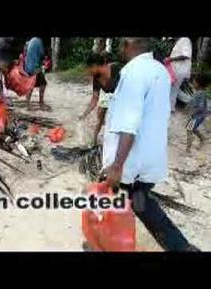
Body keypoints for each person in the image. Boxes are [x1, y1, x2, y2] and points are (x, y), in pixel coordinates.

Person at [103, 38, 199, 251]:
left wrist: (117, 166)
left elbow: (129, 124)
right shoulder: (160, 71)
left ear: (129, 44)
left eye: (121, 44)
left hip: (130, 162)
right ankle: (181, 247)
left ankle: (109, 244)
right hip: (150, 158)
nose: (119, 48)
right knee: (141, 203)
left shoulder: (133, 72)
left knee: (118, 202)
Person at [81, 53, 123, 145]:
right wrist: (84, 114)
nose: (87, 72)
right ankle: (94, 141)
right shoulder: (96, 78)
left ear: (94, 66)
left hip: (124, 102)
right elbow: (95, 99)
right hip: (113, 99)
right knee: (101, 117)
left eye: (88, 68)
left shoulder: (117, 70)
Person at [166, 37, 192, 112]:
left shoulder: (185, 40)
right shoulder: (180, 40)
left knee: (173, 88)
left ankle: (170, 108)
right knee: (172, 88)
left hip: (180, 70)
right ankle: (170, 107)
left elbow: (186, 55)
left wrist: (171, 59)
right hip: (176, 69)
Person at [23, 37, 50, 111]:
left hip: (28, 66)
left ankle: (28, 104)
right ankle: (41, 103)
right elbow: (42, 54)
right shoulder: (39, 41)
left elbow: (25, 51)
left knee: (31, 85)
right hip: (35, 67)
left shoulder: (31, 40)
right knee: (43, 84)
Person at [186, 72, 209, 153]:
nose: (193, 83)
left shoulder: (201, 94)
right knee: (193, 128)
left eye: (194, 82)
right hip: (198, 115)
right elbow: (194, 101)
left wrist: (193, 113)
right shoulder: (199, 92)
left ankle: (188, 149)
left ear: (199, 84)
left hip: (197, 116)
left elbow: (201, 106)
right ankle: (202, 139)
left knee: (189, 129)